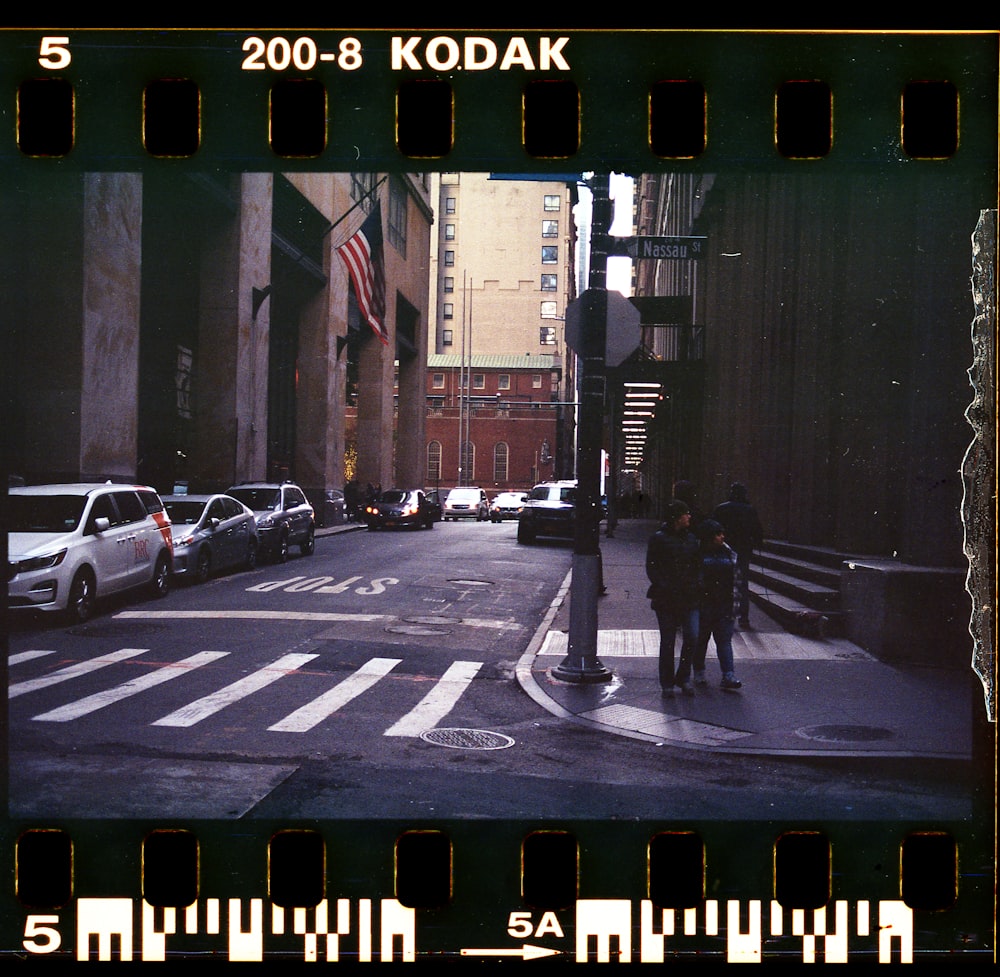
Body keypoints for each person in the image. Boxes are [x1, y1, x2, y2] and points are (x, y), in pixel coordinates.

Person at [645, 499, 701, 696]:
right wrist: (663, 584)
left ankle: (683, 677)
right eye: (686, 513)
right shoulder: (658, 539)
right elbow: (651, 566)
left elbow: (697, 566)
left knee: (692, 636)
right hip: (666, 597)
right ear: (677, 517)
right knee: (668, 640)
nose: (689, 516)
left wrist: (695, 583)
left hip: (689, 596)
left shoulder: (692, 539)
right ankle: (668, 683)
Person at [692, 519, 743, 691]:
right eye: (718, 534)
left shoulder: (729, 553)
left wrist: (735, 605)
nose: (723, 536)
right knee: (701, 641)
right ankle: (699, 672)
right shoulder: (698, 554)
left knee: (724, 641)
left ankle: (728, 674)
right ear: (709, 537)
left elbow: (736, 581)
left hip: (724, 605)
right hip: (704, 605)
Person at [712, 481, 763, 629]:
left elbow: (713, 528)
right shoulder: (750, 510)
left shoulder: (721, 509)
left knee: (723, 582)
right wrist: (757, 543)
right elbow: (757, 530)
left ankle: (725, 615)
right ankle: (744, 618)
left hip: (724, 550)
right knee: (743, 584)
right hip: (743, 551)